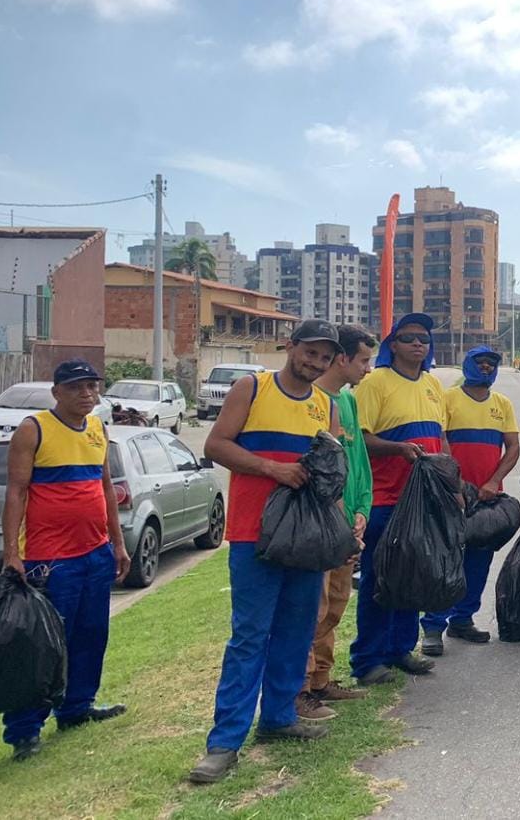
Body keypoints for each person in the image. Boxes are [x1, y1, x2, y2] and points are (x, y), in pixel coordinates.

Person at [190, 320, 343, 784]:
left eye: (324, 357)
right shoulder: (250, 388)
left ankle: (278, 716)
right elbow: (216, 445)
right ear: (291, 346)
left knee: (297, 632)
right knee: (250, 636)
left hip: (306, 539)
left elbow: (329, 472)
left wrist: (340, 526)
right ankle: (224, 742)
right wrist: (270, 469)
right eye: (310, 352)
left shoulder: (325, 406)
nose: (315, 363)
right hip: (254, 535)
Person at [0, 360, 130, 762]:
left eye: (93, 386)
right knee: (44, 645)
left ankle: (76, 708)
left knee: (91, 636)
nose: (87, 394)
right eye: (77, 387)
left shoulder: (97, 428)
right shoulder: (33, 430)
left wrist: (118, 544)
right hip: (50, 560)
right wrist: (11, 554)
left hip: (94, 553)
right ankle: (25, 730)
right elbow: (17, 492)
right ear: (57, 392)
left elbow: (106, 488)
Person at [348, 313, 446, 686]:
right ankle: (368, 659)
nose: (418, 344)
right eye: (408, 338)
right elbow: (360, 438)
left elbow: (442, 437)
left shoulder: (433, 385)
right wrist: (397, 448)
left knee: (412, 577)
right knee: (380, 579)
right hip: (386, 499)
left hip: (423, 501)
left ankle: (401, 649)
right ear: (393, 345)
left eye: (423, 338)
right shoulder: (375, 385)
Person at [298, 324, 376, 723]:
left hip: (350, 522)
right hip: (323, 524)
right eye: (363, 360)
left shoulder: (348, 400)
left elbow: (357, 459)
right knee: (315, 606)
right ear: (342, 358)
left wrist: (363, 507)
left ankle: (322, 680)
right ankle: (300, 689)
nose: (368, 369)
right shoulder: (313, 402)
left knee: (337, 603)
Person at [420, 346, 519, 655]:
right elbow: (441, 441)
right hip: (452, 495)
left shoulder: (502, 404)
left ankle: (463, 620)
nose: (487, 368)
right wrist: (456, 484)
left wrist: (492, 482)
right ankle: (433, 627)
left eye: (492, 364)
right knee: (446, 560)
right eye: (481, 363)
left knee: (479, 560)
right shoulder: (448, 398)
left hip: (489, 498)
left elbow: (513, 447)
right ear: (468, 364)